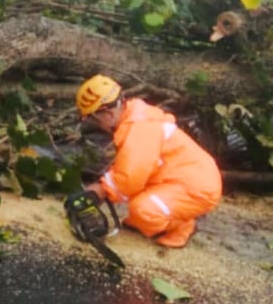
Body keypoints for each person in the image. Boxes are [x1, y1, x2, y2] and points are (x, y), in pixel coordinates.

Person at [76, 74, 222, 248]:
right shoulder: (135, 121)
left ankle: (183, 226)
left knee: (142, 211)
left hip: (196, 187)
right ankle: (151, 219)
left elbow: (131, 176)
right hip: (180, 178)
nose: (95, 124)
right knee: (137, 211)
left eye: (92, 118)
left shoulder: (140, 127)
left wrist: (102, 190)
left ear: (106, 114)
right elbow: (130, 166)